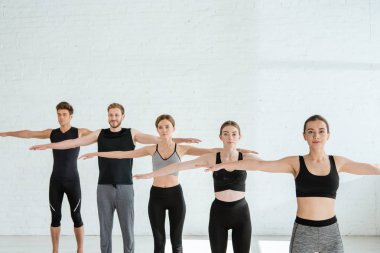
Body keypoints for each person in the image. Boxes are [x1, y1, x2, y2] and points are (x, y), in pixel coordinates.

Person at [30, 104, 200, 253]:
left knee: (127, 229)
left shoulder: (131, 133)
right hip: (104, 187)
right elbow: (74, 143)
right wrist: (48, 145)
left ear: (123, 116)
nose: (113, 118)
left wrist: (182, 140)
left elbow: (159, 138)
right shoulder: (100, 134)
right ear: (108, 116)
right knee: (105, 231)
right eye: (111, 115)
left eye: (117, 115)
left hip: (125, 186)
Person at [200, 115, 380, 253]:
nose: (316, 135)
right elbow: (260, 165)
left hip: (331, 230)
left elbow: (371, 167)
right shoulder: (295, 162)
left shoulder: (338, 162)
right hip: (303, 231)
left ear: (328, 135)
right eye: (310, 131)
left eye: (321, 130)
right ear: (304, 136)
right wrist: (224, 164)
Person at [79, 115, 257, 253]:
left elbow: (212, 151)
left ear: (173, 129)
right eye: (160, 127)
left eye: (167, 126)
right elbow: (123, 154)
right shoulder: (151, 148)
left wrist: (241, 150)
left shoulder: (181, 148)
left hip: (175, 196)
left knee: (176, 241)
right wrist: (98, 154)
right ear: (156, 129)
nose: (164, 130)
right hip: (156, 195)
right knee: (159, 241)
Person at [134, 120, 260, 253]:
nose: (230, 137)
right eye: (226, 134)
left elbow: (268, 165)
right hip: (219, 213)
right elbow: (178, 166)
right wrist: (150, 174)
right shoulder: (212, 157)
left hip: (241, 213)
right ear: (220, 137)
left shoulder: (247, 157)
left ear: (240, 136)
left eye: (234, 134)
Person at [0, 101, 92, 253]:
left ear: (71, 116)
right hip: (55, 181)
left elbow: (100, 135)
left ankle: (80, 250)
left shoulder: (79, 132)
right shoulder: (52, 133)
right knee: (55, 217)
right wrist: (8, 133)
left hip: (72, 181)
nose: (61, 117)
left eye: (64, 115)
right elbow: (29, 133)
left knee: (76, 215)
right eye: (59, 114)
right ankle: (55, 250)